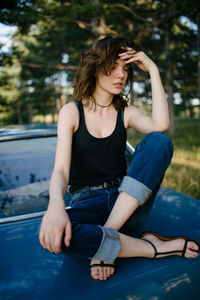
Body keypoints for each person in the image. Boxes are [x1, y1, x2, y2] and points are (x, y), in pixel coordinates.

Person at [39, 36, 199, 281]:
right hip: (86, 202)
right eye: (112, 67)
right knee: (54, 235)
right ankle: (154, 248)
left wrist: (153, 70)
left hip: (126, 202)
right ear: (95, 69)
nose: (120, 75)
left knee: (159, 141)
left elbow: (161, 125)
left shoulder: (126, 112)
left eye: (125, 68)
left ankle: (107, 239)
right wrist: (55, 206)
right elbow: (61, 170)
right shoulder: (72, 112)